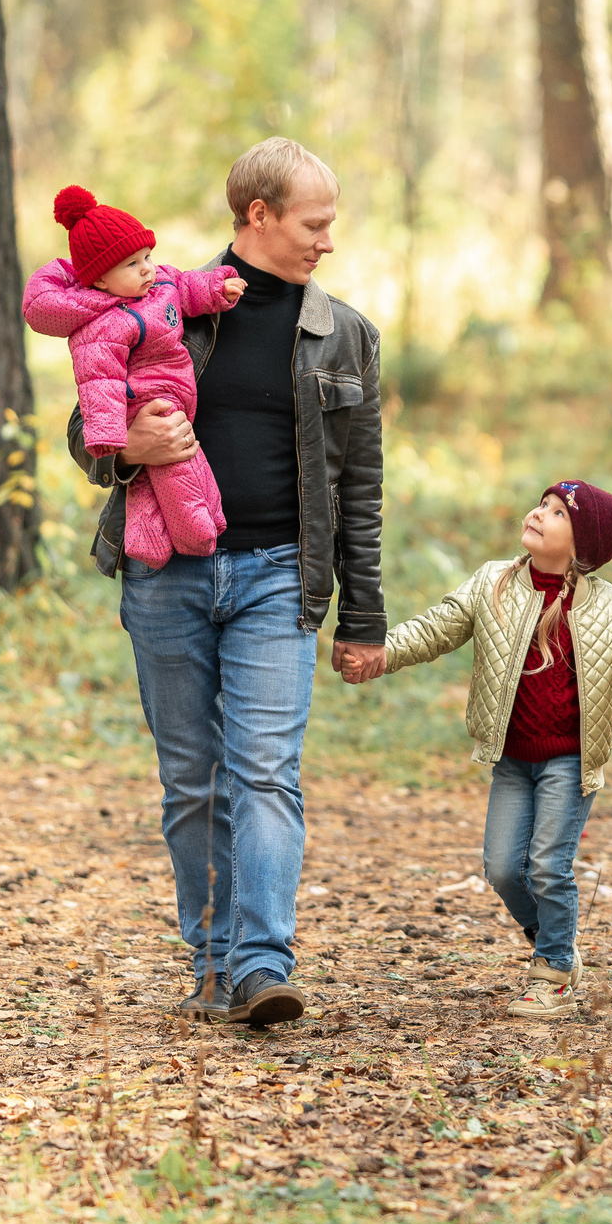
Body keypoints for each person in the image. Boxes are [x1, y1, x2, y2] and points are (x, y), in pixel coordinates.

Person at [66, 137, 386, 1028]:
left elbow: (359, 490)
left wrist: (362, 614)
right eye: (314, 222)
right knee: (193, 781)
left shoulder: (345, 334)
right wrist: (123, 448)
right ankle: (210, 960)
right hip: (167, 573)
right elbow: (81, 427)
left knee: (266, 773)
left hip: (280, 577)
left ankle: (260, 963)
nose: (328, 239)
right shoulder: (162, 303)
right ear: (257, 216)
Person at [343, 481, 612, 1016]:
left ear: (583, 546)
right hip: (511, 758)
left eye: (558, 513)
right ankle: (554, 937)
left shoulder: (608, 604)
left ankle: (552, 969)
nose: (539, 513)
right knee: (504, 868)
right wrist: (383, 654)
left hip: (571, 759)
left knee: (550, 865)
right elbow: (437, 629)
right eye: (543, 504)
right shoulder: (492, 584)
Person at [23, 187, 244, 565]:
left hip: (175, 391)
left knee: (163, 478)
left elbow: (188, 287)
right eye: (131, 264)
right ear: (101, 280)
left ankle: (152, 541)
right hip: (146, 403)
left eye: (147, 256)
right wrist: (110, 437)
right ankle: (198, 535)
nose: (147, 268)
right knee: (177, 468)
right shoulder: (102, 324)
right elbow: (99, 382)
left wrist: (218, 287)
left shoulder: (160, 286)